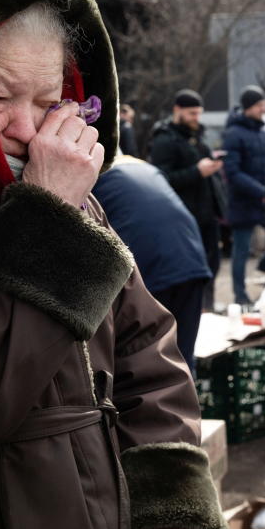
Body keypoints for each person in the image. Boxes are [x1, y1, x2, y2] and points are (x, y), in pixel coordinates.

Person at [0, 0, 228, 529]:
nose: (26, 130)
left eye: (48, 102)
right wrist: (47, 220)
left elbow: (148, 361)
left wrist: (171, 526)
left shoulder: (74, 201)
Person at [93, 155, 213, 376]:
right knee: (182, 358)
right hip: (191, 260)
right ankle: (188, 404)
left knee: (143, 360)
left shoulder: (91, 174)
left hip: (148, 266)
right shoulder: (143, 167)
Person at [149, 90, 226, 310]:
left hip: (207, 215)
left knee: (212, 264)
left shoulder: (197, 136)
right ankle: (196, 311)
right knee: (192, 271)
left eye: (198, 113)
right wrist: (197, 171)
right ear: (177, 110)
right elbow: (161, 179)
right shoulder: (164, 140)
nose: (196, 118)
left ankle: (207, 307)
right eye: (192, 113)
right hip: (183, 217)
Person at [222, 85, 265, 305]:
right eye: (259, 105)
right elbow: (233, 172)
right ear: (248, 107)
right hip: (244, 201)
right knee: (241, 252)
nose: (263, 108)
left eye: (264, 104)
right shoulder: (234, 133)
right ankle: (240, 295)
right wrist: (260, 191)